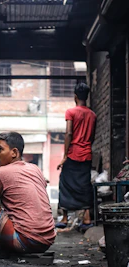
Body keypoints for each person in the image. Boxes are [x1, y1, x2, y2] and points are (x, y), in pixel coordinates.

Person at [0, 132, 56, 255]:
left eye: (0, 149)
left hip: (24, 241)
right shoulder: (35, 169)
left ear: (14, 153)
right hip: (47, 241)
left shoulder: (0, 172)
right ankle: (3, 245)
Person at [56, 83, 96, 231]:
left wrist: (65, 155)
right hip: (86, 155)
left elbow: (69, 133)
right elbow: (92, 136)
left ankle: (65, 218)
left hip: (73, 154)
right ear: (87, 96)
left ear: (75, 96)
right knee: (84, 185)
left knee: (65, 184)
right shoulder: (93, 115)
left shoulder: (71, 112)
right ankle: (86, 218)